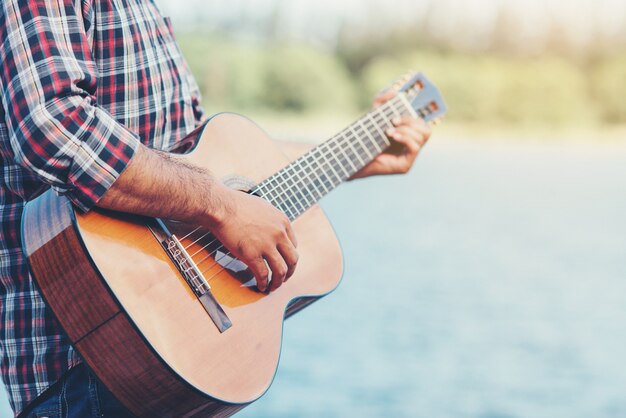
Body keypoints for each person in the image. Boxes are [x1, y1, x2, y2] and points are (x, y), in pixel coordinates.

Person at [0, 0, 432, 417]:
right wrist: (220, 205)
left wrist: (363, 154)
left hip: (172, 366)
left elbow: (206, 166)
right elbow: (53, 124)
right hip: (86, 371)